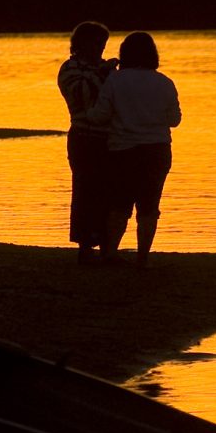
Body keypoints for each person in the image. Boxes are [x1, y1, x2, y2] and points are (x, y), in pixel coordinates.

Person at [84, 31, 181, 268]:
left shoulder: (116, 81)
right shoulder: (165, 82)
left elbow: (100, 115)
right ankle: (143, 257)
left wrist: (83, 114)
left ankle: (110, 252)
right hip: (157, 150)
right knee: (149, 207)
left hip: (123, 150)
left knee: (119, 205)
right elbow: (174, 120)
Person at [56, 21, 117, 263]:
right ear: (82, 44)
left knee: (109, 191)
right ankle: (84, 246)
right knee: (85, 190)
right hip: (83, 137)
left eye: (103, 44)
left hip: (109, 139)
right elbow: (79, 94)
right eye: (97, 43)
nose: (101, 48)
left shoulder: (104, 68)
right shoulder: (70, 68)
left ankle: (105, 244)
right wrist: (101, 74)